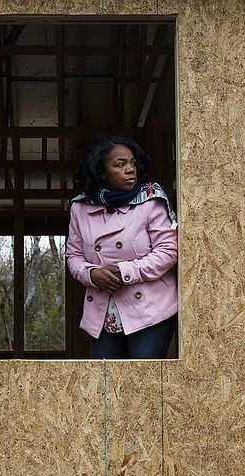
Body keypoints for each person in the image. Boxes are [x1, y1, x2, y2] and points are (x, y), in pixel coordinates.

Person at [66, 135, 178, 359]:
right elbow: (73, 256)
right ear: (102, 172)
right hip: (103, 312)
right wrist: (92, 274)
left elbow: (168, 250)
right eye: (120, 164)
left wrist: (126, 272)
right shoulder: (80, 207)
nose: (130, 170)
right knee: (108, 386)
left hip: (150, 309)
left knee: (143, 382)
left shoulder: (150, 200)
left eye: (133, 163)